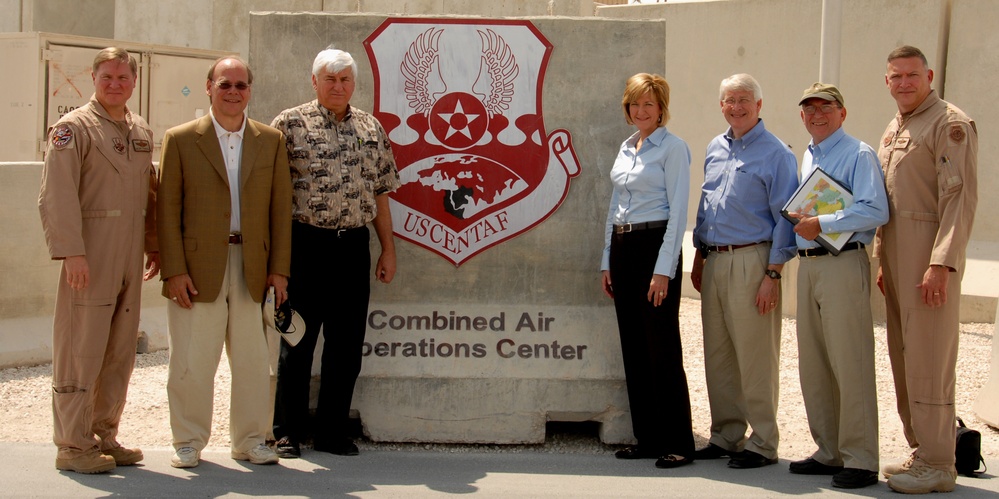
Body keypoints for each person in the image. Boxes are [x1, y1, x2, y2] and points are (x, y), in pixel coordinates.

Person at [157, 56, 292, 468]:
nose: (233, 92)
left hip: (253, 265)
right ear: (208, 87)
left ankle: (251, 440)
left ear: (250, 90)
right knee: (193, 360)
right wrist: (174, 271)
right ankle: (188, 440)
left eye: (241, 85)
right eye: (225, 84)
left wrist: (280, 270)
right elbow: (167, 211)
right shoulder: (180, 139)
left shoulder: (270, 140)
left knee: (253, 363)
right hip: (197, 269)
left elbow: (279, 209)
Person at [270, 47, 400, 458]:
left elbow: (380, 192)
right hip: (304, 245)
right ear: (314, 81)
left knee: (345, 345)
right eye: (330, 78)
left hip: (352, 247)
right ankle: (287, 432)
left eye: (345, 80)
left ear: (354, 84)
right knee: (297, 341)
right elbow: (270, 195)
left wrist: (388, 250)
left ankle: (330, 432)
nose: (338, 86)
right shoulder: (289, 125)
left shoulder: (370, 127)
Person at [38, 47, 160, 474]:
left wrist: (155, 246)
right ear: (93, 78)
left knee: (119, 349)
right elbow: (56, 195)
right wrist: (71, 251)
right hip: (90, 252)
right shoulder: (73, 129)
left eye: (123, 77)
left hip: (129, 255)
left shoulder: (139, 129)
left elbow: (149, 195)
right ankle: (72, 445)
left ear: (134, 81)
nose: (115, 84)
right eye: (107, 76)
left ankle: (103, 435)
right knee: (80, 349)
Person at [875, 45, 978, 494]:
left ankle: (940, 462)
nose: (904, 83)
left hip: (927, 257)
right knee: (903, 354)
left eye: (911, 75)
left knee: (930, 359)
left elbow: (959, 199)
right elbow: (892, 199)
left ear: (929, 76)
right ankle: (921, 448)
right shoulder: (897, 126)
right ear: (887, 81)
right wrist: (882, 256)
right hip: (897, 257)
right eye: (896, 76)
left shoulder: (948, 123)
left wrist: (942, 263)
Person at [689, 73, 798, 469]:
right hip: (715, 259)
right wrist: (700, 256)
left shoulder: (777, 154)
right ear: (721, 105)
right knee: (718, 354)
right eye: (729, 100)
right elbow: (706, 206)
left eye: (744, 100)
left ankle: (764, 441)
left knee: (755, 355)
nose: (736, 107)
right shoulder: (714, 148)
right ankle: (726, 434)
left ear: (759, 105)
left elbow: (786, 218)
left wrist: (773, 274)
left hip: (754, 261)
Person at [785, 83, 888, 489]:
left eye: (825, 107)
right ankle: (829, 451)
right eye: (809, 109)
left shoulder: (858, 153)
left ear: (842, 113)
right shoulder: (810, 154)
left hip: (843, 264)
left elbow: (876, 209)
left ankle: (861, 459)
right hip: (809, 265)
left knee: (851, 362)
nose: (817, 115)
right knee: (815, 363)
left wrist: (823, 223)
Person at [600, 73, 694, 469]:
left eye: (649, 105)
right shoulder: (626, 148)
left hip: (655, 247)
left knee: (662, 348)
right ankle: (648, 437)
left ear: (662, 109)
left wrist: (664, 271)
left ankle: (678, 443)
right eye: (636, 104)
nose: (642, 111)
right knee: (635, 347)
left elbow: (678, 213)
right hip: (623, 250)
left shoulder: (673, 149)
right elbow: (615, 207)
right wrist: (607, 260)